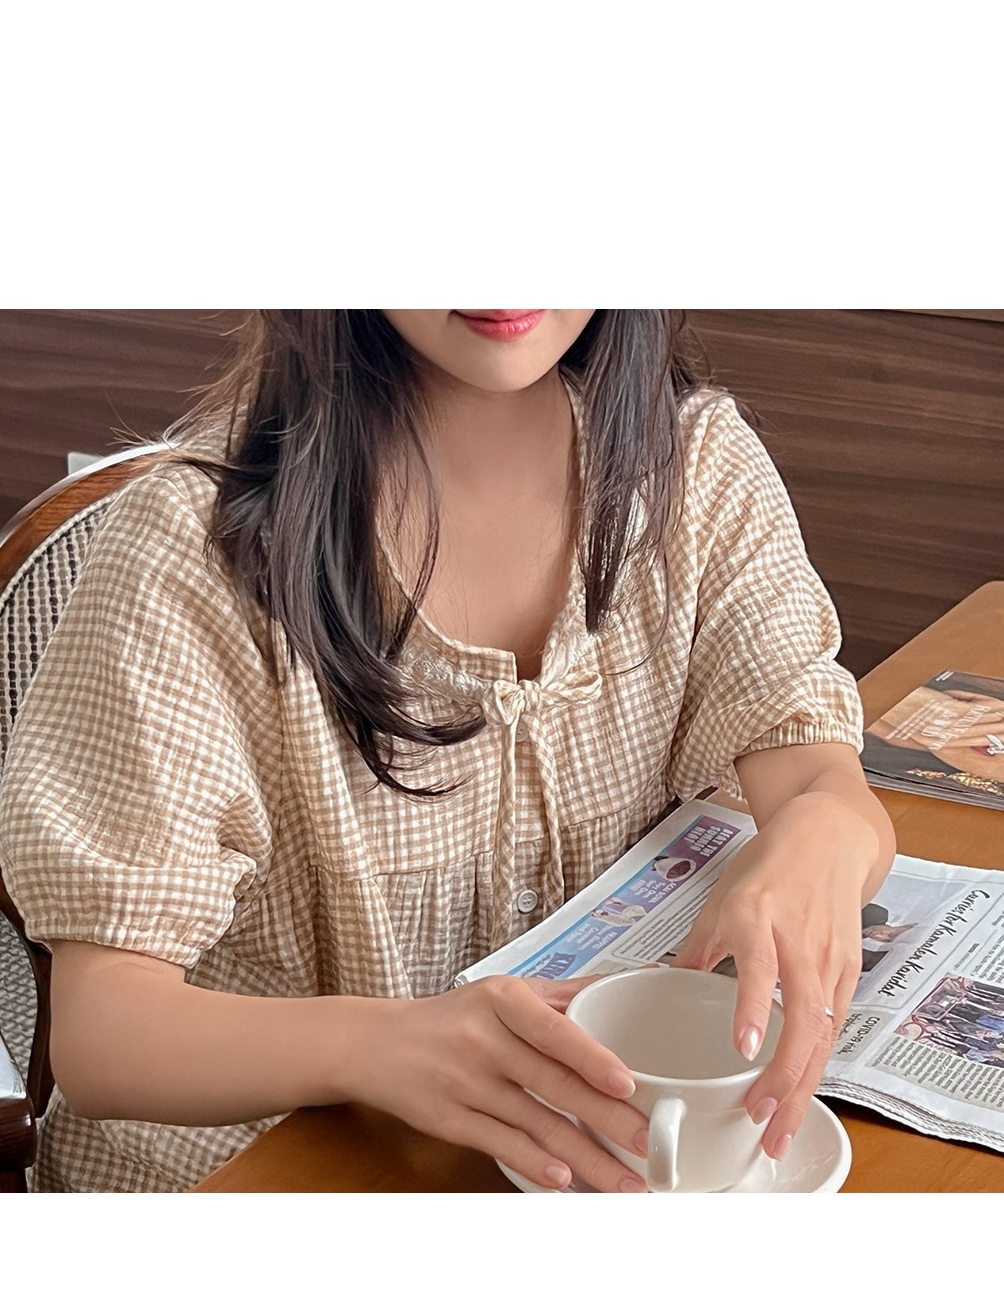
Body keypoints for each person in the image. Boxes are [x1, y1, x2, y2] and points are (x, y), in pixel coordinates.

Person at [0, 305, 895, 1192]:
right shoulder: (195, 548)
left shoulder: (697, 468)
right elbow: (104, 1035)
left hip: (570, 1162)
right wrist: (384, 1045)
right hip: (264, 1178)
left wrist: (822, 827)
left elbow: (816, 767)